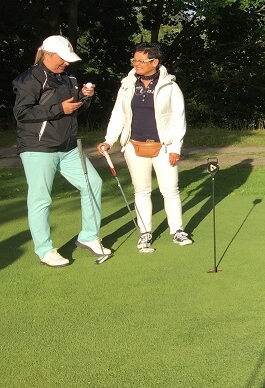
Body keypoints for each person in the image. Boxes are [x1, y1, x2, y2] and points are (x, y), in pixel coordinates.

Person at [13, 35, 111, 267]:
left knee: (93, 184)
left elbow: (74, 110)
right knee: (41, 199)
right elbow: (22, 113)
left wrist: (85, 98)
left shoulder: (69, 78)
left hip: (68, 145)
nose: (66, 63)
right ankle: (45, 250)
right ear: (47, 55)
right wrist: (59, 108)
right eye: (63, 58)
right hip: (38, 147)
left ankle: (88, 236)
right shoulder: (29, 78)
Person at [97, 42, 192, 250]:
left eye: (141, 61)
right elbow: (118, 115)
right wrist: (109, 140)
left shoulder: (170, 86)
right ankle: (145, 233)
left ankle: (177, 230)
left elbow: (179, 119)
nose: (136, 64)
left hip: (164, 146)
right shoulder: (127, 85)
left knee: (170, 189)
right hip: (134, 145)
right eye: (134, 60)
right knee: (141, 191)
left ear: (155, 62)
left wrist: (176, 148)